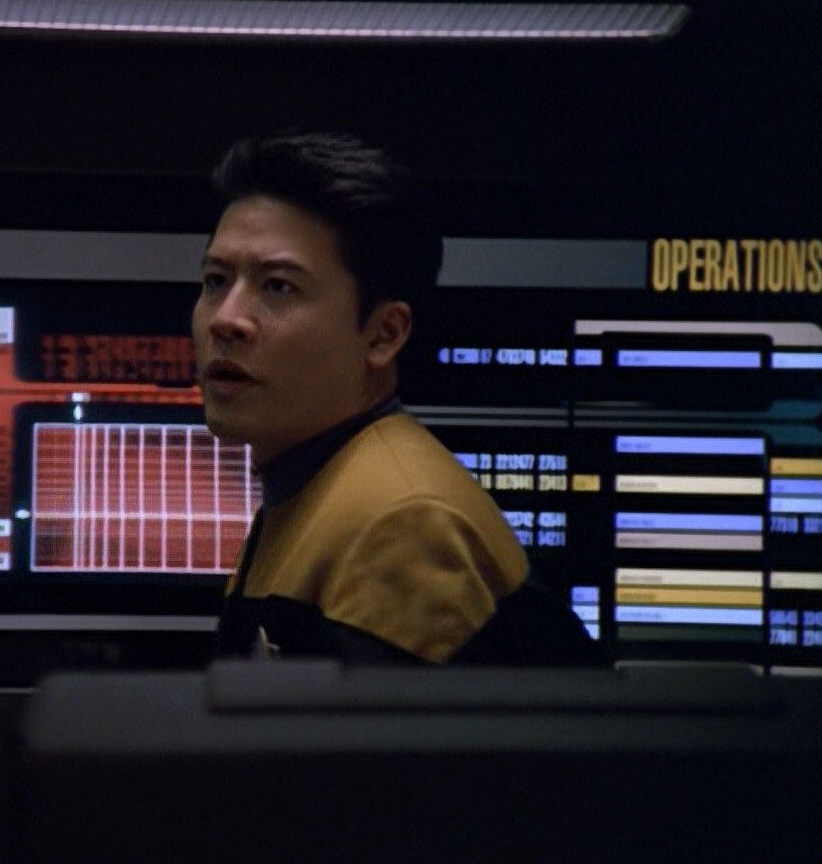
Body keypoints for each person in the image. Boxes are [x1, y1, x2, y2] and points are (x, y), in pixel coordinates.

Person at [194, 130, 603, 665]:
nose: (226, 318)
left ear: (384, 335)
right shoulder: (314, 484)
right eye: (216, 280)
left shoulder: (402, 521)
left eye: (277, 287)